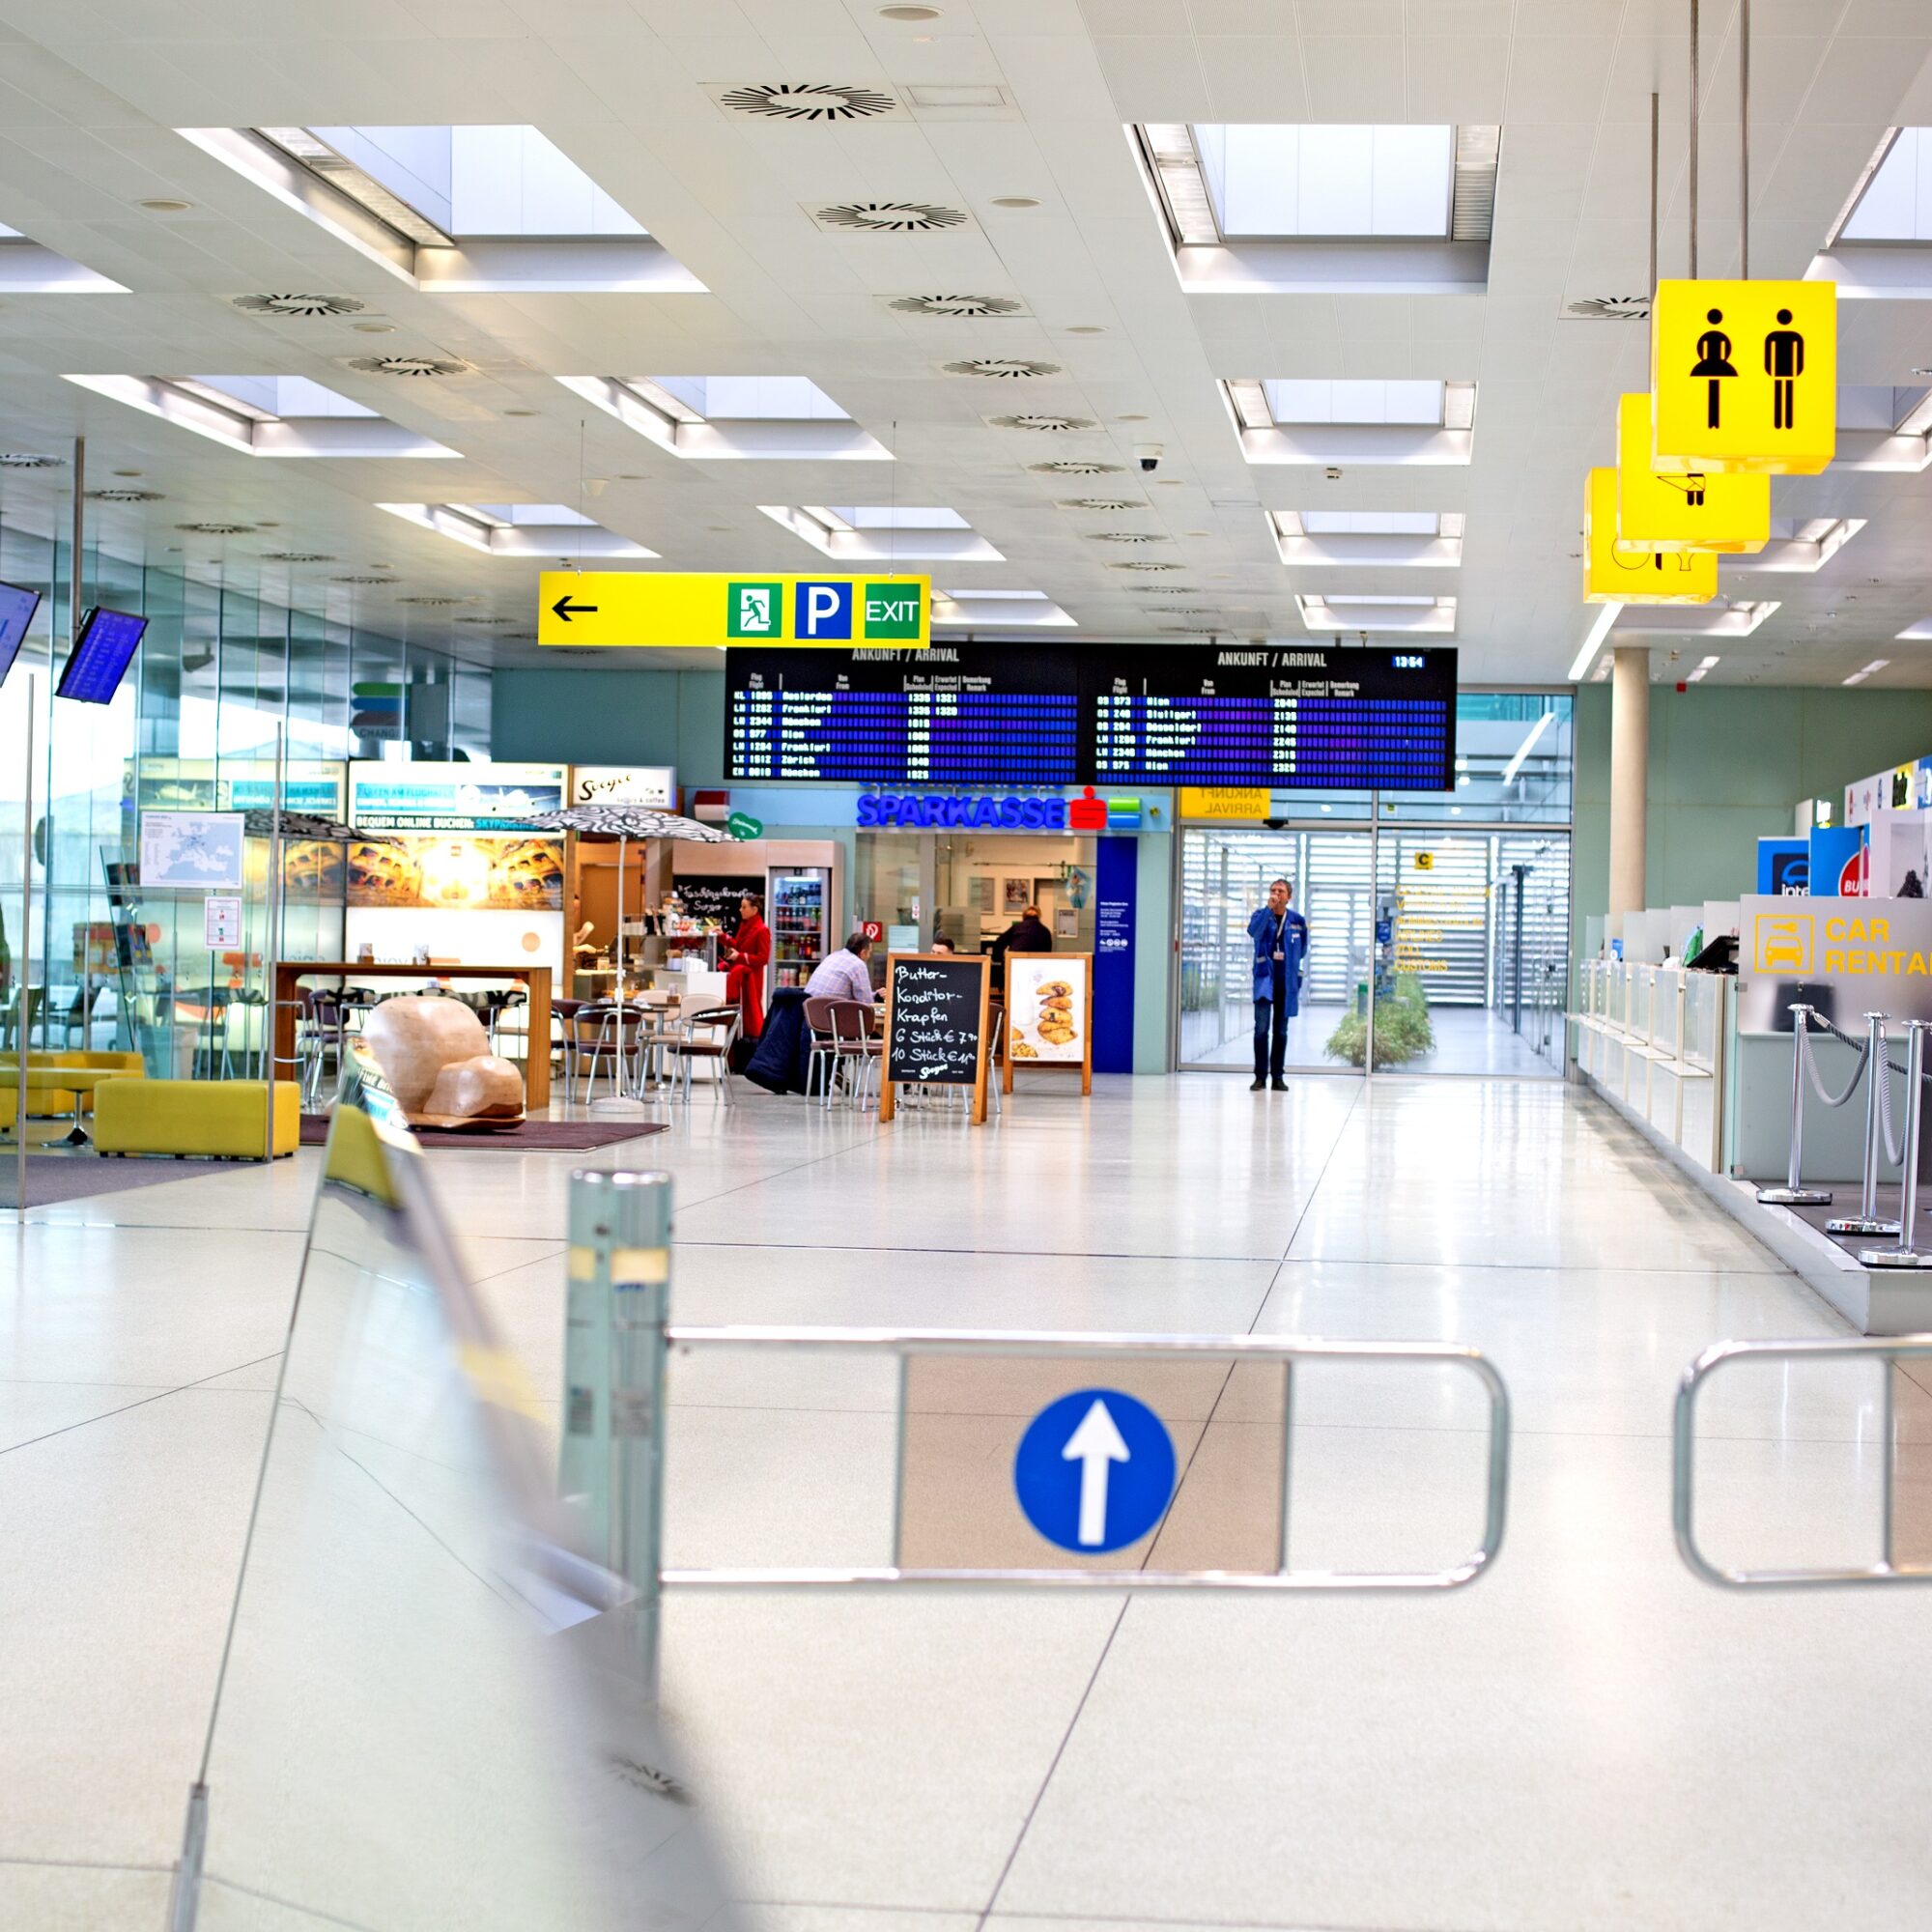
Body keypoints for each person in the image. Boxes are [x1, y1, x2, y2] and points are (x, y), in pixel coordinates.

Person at [1247, 878, 1308, 1093]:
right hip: (1265, 980)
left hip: (1286, 983)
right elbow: (1254, 932)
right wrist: (1268, 909)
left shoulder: (1297, 921)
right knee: (1261, 1031)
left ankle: (1278, 1077)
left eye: (1280, 891)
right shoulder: (1260, 915)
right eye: (1273, 890)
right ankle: (1260, 1077)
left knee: (1281, 1033)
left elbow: (1302, 949)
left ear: (1288, 896)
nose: (1276, 894)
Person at [721, 893, 771, 1037]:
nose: (740, 910)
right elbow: (739, 945)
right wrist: (724, 938)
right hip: (741, 977)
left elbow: (763, 958)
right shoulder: (745, 926)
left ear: (754, 910)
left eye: (744, 907)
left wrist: (740, 956)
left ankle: (750, 1045)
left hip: (753, 979)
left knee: (751, 1015)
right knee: (741, 1013)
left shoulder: (762, 930)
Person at [805, 930, 877, 1005]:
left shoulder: (832, 956)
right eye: (869, 953)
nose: (869, 956)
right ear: (863, 952)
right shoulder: (858, 964)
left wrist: (874, 995)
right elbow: (866, 1002)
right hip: (829, 1012)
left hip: (809, 1011)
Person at [990, 903, 1052, 987]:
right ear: (1039, 917)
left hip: (1016, 966)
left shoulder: (1017, 927)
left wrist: (998, 959)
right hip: (1035, 971)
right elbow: (1048, 955)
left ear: (1023, 917)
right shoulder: (1045, 931)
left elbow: (999, 943)